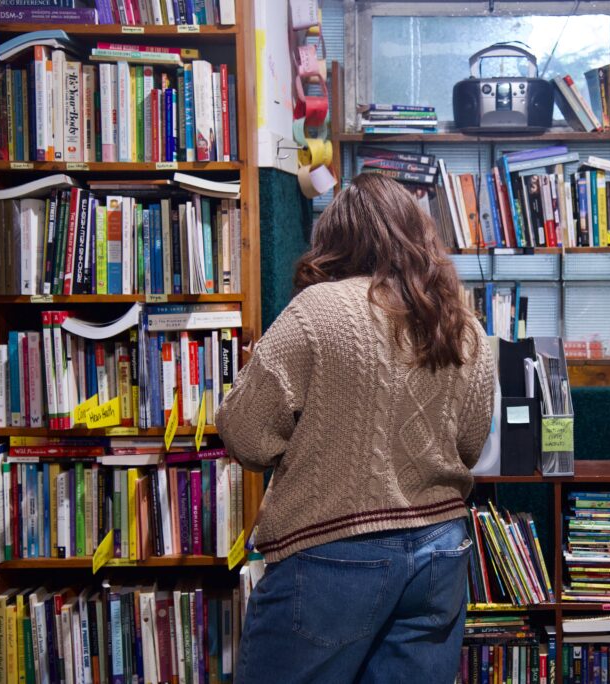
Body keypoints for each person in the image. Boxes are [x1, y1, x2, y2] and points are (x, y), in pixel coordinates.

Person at [216, 173, 495, 683]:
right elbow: (471, 445)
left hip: (332, 551)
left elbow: (245, 432)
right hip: (440, 552)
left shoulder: (317, 311)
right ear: (418, 233)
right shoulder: (463, 325)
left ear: (335, 236)